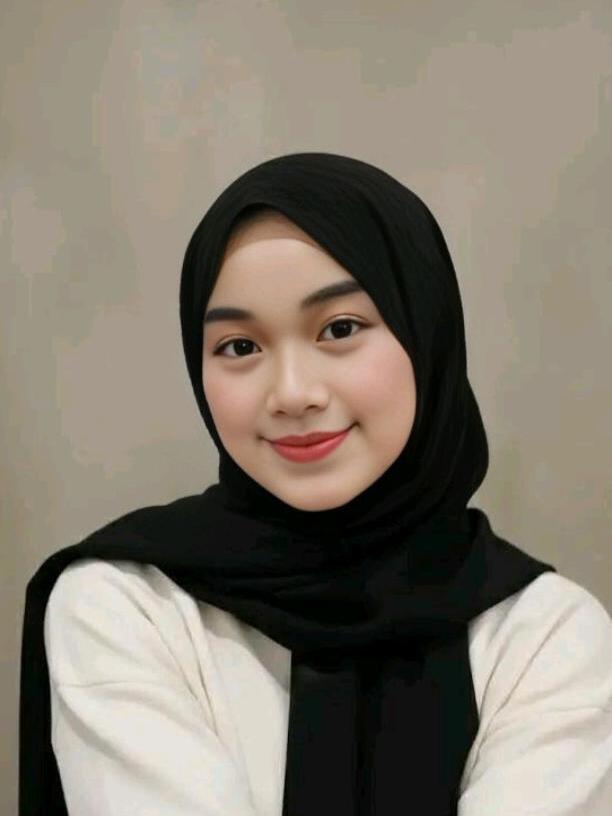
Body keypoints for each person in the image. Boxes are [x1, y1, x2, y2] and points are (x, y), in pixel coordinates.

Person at [20, 152, 612, 816]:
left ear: (427, 333)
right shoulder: (126, 607)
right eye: (240, 346)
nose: (293, 393)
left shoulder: (547, 637)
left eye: (340, 329)